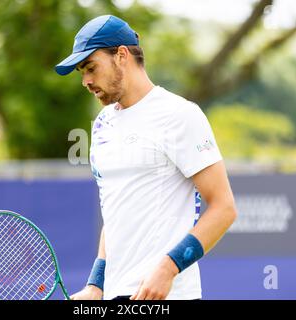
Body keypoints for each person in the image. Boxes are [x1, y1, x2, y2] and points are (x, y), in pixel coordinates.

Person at [55, 15, 237, 300]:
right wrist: (96, 284)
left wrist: (168, 268)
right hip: (115, 296)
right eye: (82, 72)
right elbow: (116, 211)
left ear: (122, 56)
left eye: (91, 68)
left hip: (171, 296)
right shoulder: (102, 122)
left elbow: (224, 208)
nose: (86, 81)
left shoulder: (180, 115)